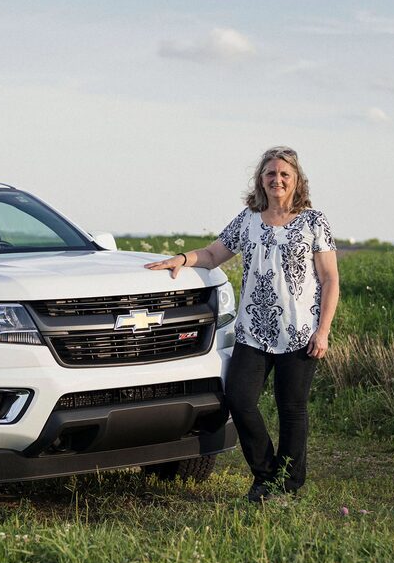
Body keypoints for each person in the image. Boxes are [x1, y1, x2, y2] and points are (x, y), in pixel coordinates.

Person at [145, 146, 339, 502]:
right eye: (270, 173)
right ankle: (265, 476)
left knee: (292, 409)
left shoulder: (314, 222)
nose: (276, 180)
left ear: (297, 180)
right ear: (260, 179)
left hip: (299, 333)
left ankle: (288, 485)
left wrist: (323, 330)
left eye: (284, 174)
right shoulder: (248, 218)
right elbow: (214, 254)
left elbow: (329, 280)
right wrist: (183, 259)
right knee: (239, 399)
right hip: (253, 331)